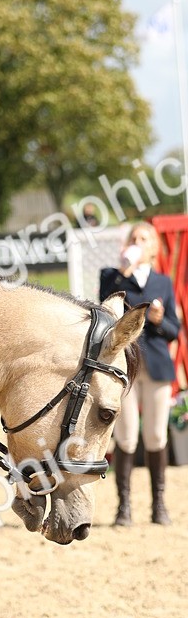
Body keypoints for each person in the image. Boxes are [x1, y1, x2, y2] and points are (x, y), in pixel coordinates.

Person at [99, 222, 181, 526]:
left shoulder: (162, 282)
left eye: (144, 238)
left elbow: (175, 330)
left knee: (156, 436)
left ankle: (159, 505)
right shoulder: (112, 277)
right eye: (133, 237)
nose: (137, 241)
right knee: (126, 437)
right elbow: (105, 312)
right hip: (126, 368)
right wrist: (125, 272)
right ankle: (124, 508)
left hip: (157, 367)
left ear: (153, 248)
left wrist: (159, 321)